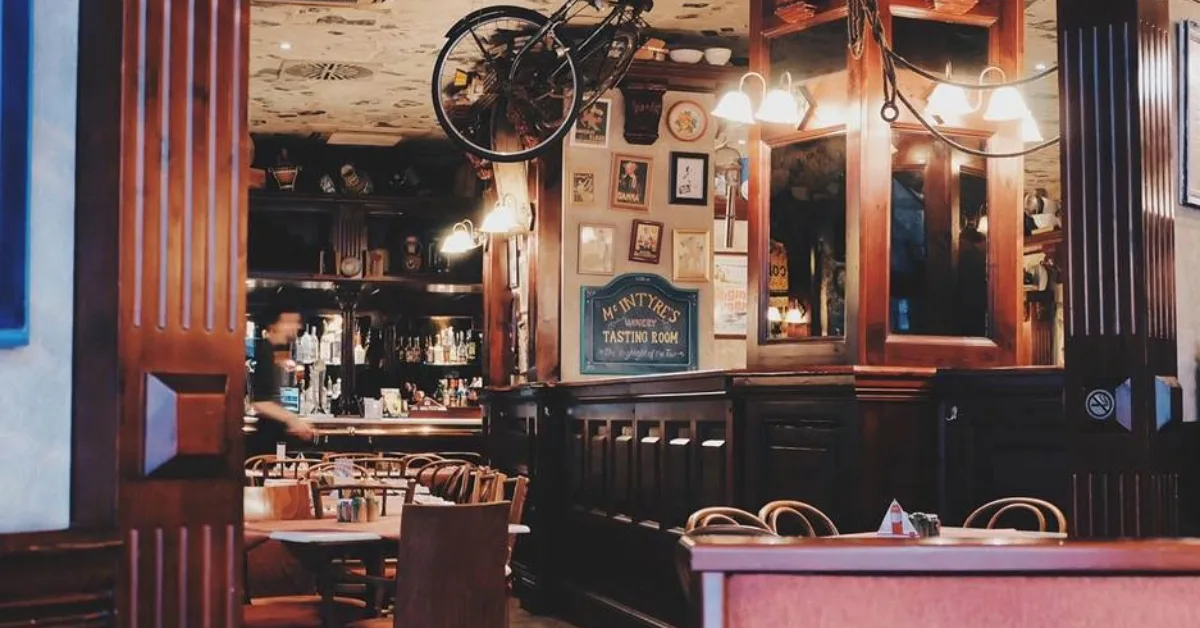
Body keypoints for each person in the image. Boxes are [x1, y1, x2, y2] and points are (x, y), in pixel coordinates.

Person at [249, 302, 317, 454]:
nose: (296, 327)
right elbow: (260, 402)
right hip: (266, 440)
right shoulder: (265, 351)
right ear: (276, 324)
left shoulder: (276, 351)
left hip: (275, 437)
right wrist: (293, 420)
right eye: (290, 322)